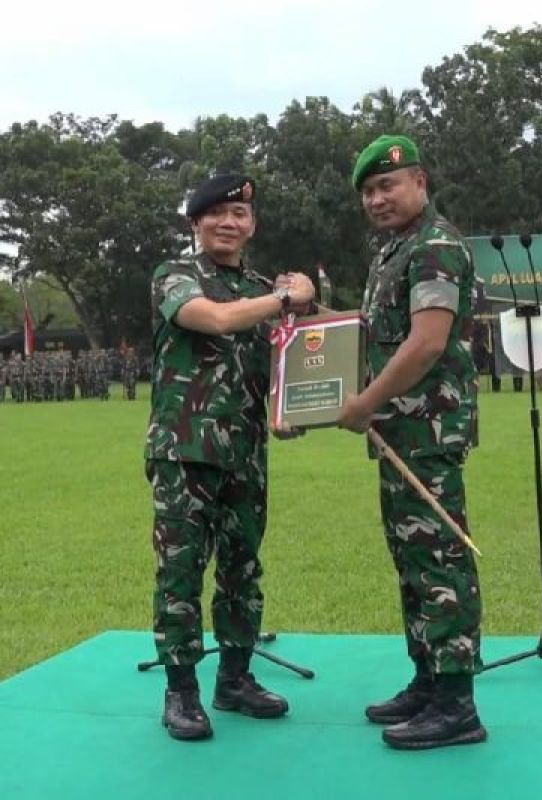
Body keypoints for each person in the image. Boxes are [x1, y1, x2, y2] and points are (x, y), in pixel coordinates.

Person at [145, 173, 316, 741]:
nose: (228, 222)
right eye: (216, 212)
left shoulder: (264, 288)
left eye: (239, 213)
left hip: (245, 454)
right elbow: (215, 320)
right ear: (196, 222)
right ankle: (182, 692)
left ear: (252, 224)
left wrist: (287, 410)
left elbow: (280, 368)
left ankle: (235, 679)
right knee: (181, 572)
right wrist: (288, 297)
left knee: (243, 568)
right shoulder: (175, 276)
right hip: (185, 452)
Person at [337, 134, 485, 751]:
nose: (377, 199)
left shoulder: (435, 247)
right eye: (368, 191)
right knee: (411, 558)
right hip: (400, 431)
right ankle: (427, 679)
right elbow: (377, 337)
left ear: (420, 183)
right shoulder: (393, 253)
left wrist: (364, 402)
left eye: (388, 186)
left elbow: (426, 343)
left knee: (440, 558)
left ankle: (457, 703)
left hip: (427, 428)